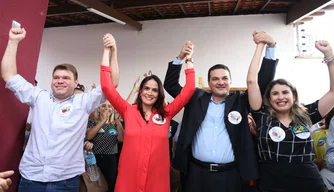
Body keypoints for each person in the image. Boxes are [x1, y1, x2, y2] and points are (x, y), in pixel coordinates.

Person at [1, 27, 119, 192]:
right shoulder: (38, 97)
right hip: (31, 179)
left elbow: (111, 84)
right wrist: (13, 41)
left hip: (65, 182)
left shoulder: (83, 102)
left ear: (76, 83)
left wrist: (110, 51)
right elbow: (9, 75)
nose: (60, 81)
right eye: (56, 77)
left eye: (65, 78)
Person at [164, 32, 279, 192]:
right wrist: (181, 57)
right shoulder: (195, 98)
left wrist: (270, 48)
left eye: (224, 78)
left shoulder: (240, 101)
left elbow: (261, 84)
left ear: (230, 82)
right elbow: (170, 85)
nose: (220, 82)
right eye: (215, 79)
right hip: (195, 173)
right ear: (209, 83)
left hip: (230, 174)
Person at [100, 35, 195, 192]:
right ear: (140, 91)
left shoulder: (167, 113)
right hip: (128, 178)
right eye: (146, 88)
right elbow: (106, 86)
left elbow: (189, 89)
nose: (150, 93)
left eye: (155, 90)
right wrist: (107, 51)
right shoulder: (128, 110)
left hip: (156, 180)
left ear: (159, 94)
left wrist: (188, 59)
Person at [247, 34, 334, 191]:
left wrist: (329, 56)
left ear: (293, 96)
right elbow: (252, 81)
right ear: (268, 98)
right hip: (272, 180)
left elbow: (333, 93)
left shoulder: (307, 114)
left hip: (308, 180)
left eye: (285, 92)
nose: (280, 97)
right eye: (275, 93)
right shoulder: (262, 115)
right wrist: (260, 45)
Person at [86, 101, 124, 192]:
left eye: (110, 106)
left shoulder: (115, 124)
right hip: (95, 158)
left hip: (111, 158)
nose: (107, 108)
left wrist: (118, 122)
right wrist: (103, 121)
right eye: (103, 106)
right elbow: (89, 136)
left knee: (111, 184)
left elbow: (122, 139)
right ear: (98, 109)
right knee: (96, 185)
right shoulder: (92, 121)